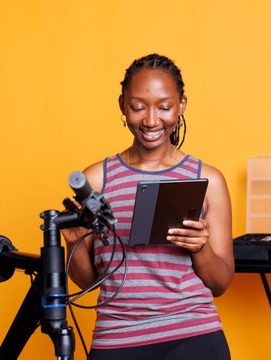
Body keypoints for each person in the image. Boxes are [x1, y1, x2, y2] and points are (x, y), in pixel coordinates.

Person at [62, 53, 234, 360]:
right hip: (116, 340)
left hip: (193, 335)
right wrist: (74, 243)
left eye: (164, 107)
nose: (151, 120)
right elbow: (88, 282)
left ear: (181, 105)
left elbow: (221, 283)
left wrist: (200, 249)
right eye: (138, 107)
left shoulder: (208, 180)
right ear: (122, 105)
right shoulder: (95, 181)